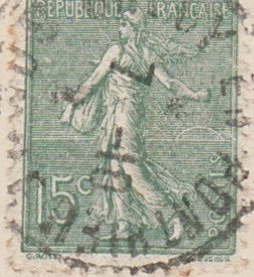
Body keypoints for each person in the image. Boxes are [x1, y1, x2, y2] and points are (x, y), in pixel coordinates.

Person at [61, 2, 209, 242]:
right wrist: (193, 94)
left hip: (125, 117)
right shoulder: (144, 54)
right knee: (114, 168)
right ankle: (124, 225)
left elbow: (92, 82)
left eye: (124, 24)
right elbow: (170, 84)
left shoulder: (118, 52)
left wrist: (72, 104)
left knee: (131, 168)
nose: (120, 28)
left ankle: (173, 218)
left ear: (135, 28)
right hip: (118, 116)